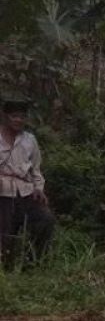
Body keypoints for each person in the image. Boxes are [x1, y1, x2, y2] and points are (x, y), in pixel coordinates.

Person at [0, 98, 54, 268]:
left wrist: (39, 188)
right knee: (6, 232)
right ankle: (6, 267)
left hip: (24, 191)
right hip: (2, 192)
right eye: (14, 116)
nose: (18, 120)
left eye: (22, 117)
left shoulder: (29, 140)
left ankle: (32, 261)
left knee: (45, 219)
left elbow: (36, 170)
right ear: (5, 116)